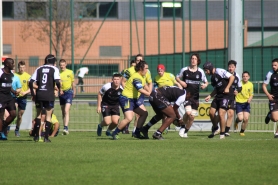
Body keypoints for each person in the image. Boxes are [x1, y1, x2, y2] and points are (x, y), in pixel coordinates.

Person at [112, 60, 151, 140]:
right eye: (146, 68)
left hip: (133, 99)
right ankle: (115, 133)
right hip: (126, 99)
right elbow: (140, 89)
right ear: (141, 68)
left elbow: (145, 86)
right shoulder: (136, 77)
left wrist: (152, 92)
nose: (147, 70)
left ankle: (136, 132)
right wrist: (149, 94)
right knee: (129, 118)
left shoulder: (142, 76)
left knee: (144, 113)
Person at [29, 54, 61, 142]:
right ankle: (46, 138)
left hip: (39, 94)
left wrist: (32, 93)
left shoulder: (39, 68)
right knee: (48, 116)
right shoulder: (54, 69)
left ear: (46, 61)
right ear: (54, 62)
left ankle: (36, 136)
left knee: (38, 115)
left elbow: (30, 82)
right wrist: (60, 89)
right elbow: (57, 81)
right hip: (49, 95)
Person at [175, 53, 208, 138]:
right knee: (188, 112)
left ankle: (185, 131)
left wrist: (204, 85)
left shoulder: (200, 71)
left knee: (192, 117)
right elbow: (177, 77)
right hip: (187, 95)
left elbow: (206, 82)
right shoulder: (185, 70)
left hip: (195, 97)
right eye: (192, 58)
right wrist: (181, 82)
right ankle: (182, 126)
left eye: (195, 59)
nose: (193, 60)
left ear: (198, 61)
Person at [121, 54, 152, 135]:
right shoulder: (130, 70)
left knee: (140, 114)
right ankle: (125, 128)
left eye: (141, 60)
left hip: (140, 94)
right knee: (129, 114)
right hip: (130, 96)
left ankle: (135, 130)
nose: (139, 61)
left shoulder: (147, 71)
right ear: (135, 62)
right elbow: (123, 81)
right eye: (138, 60)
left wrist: (149, 92)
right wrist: (128, 92)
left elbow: (148, 83)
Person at [203, 61, 235, 139]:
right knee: (211, 112)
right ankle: (216, 128)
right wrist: (210, 96)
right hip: (218, 96)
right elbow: (216, 89)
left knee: (221, 114)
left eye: (206, 70)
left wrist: (227, 88)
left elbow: (232, 77)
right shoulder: (212, 77)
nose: (206, 72)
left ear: (210, 69)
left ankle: (222, 134)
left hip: (226, 96)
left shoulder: (220, 71)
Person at [0, 58, 17, 140]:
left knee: (13, 114)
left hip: (9, 97)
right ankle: (1, 133)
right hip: (1, 96)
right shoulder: (0, 73)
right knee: (1, 115)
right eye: (12, 63)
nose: (13, 65)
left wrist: (13, 91)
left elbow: (8, 85)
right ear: (7, 64)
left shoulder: (11, 73)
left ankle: (3, 126)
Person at [224, 60, 242, 136]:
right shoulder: (224, 74)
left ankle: (226, 131)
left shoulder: (237, 76)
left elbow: (240, 87)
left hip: (231, 97)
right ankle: (215, 126)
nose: (231, 68)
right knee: (221, 114)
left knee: (230, 114)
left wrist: (237, 91)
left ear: (235, 67)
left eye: (232, 67)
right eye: (229, 67)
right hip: (223, 97)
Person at [14, 61, 31, 137]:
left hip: (23, 98)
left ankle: (17, 129)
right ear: (18, 68)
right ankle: (6, 128)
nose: (21, 69)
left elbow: (31, 88)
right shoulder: (14, 75)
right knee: (12, 112)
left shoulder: (28, 76)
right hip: (14, 97)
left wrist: (25, 92)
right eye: (20, 67)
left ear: (25, 67)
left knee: (20, 115)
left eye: (23, 67)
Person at [234, 71, 253, 136]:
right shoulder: (239, 83)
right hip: (239, 102)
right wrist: (235, 93)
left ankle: (242, 131)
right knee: (240, 118)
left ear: (249, 77)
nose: (245, 77)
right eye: (244, 76)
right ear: (242, 77)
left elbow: (251, 94)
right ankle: (236, 121)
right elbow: (235, 91)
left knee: (246, 118)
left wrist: (250, 98)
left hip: (246, 103)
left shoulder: (250, 84)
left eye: (246, 76)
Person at [262, 58, 278, 138]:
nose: (273, 67)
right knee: (275, 119)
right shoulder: (270, 73)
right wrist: (268, 95)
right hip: (273, 98)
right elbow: (264, 86)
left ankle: (277, 133)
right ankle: (269, 115)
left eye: (275, 65)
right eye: (272, 65)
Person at [59, 59, 75, 135]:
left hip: (69, 92)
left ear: (66, 64)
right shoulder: (58, 73)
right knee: (63, 112)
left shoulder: (70, 72)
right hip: (61, 93)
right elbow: (57, 84)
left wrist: (74, 91)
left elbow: (73, 83)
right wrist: (59, 90)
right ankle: (65, 128)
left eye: (63, 65)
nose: (62, 66)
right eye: (61, 65)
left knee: (66, 110)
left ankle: (66, 127)